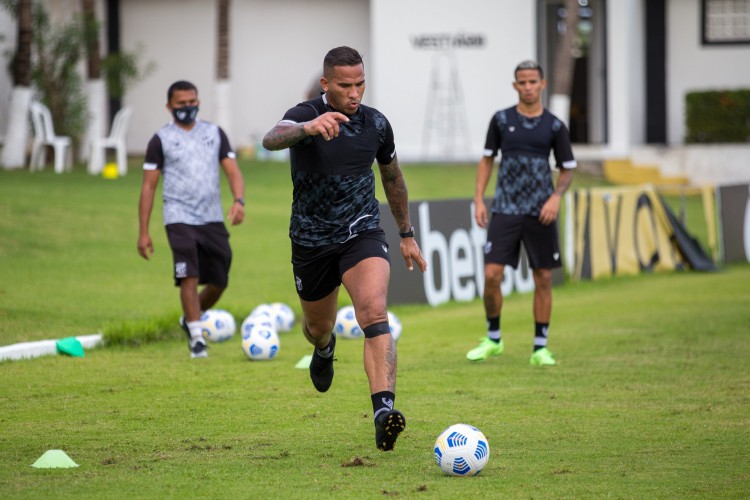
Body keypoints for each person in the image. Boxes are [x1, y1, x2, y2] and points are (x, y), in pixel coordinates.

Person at [262, 46, 427, 451]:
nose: (354, 93)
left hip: (361, 232)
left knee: (373, 311)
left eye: (360, 84)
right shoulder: (304, 115)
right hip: (311, 239)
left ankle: (383, 412)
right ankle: (325, 347)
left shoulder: (376, 124)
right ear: (325, 84)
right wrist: (309, 128)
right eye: (344, 85)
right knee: (317, 326)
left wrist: (405, 233)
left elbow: (392, 177)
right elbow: (271, 139)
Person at [467, 60, 575, 366]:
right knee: (491, 275)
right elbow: (487, 160)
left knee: (542, 277)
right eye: (522, 82)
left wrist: (555, 198)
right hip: (505, 209)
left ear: (543, 84)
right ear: (515, 86)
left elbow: (567, 169)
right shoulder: (501, 121)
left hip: (542, 212)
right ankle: (493, 339)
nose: (527, 87)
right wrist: (478, 199)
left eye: (532, 82)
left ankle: (540, 347)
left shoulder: (554, 126)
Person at [137, 80, 245, 359]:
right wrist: (144, 232)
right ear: (169, 106)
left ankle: (190, 317)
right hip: (178, 216)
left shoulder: (214, 133)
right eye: (181, 103)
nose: (188, 107)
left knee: (220, 279)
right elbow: (148, 187)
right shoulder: (160, 140)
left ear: (198, 102)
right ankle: (197, 338)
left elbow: (232, 171)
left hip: (211, 217)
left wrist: (238, 200)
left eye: (192, 102)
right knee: (189, 273)